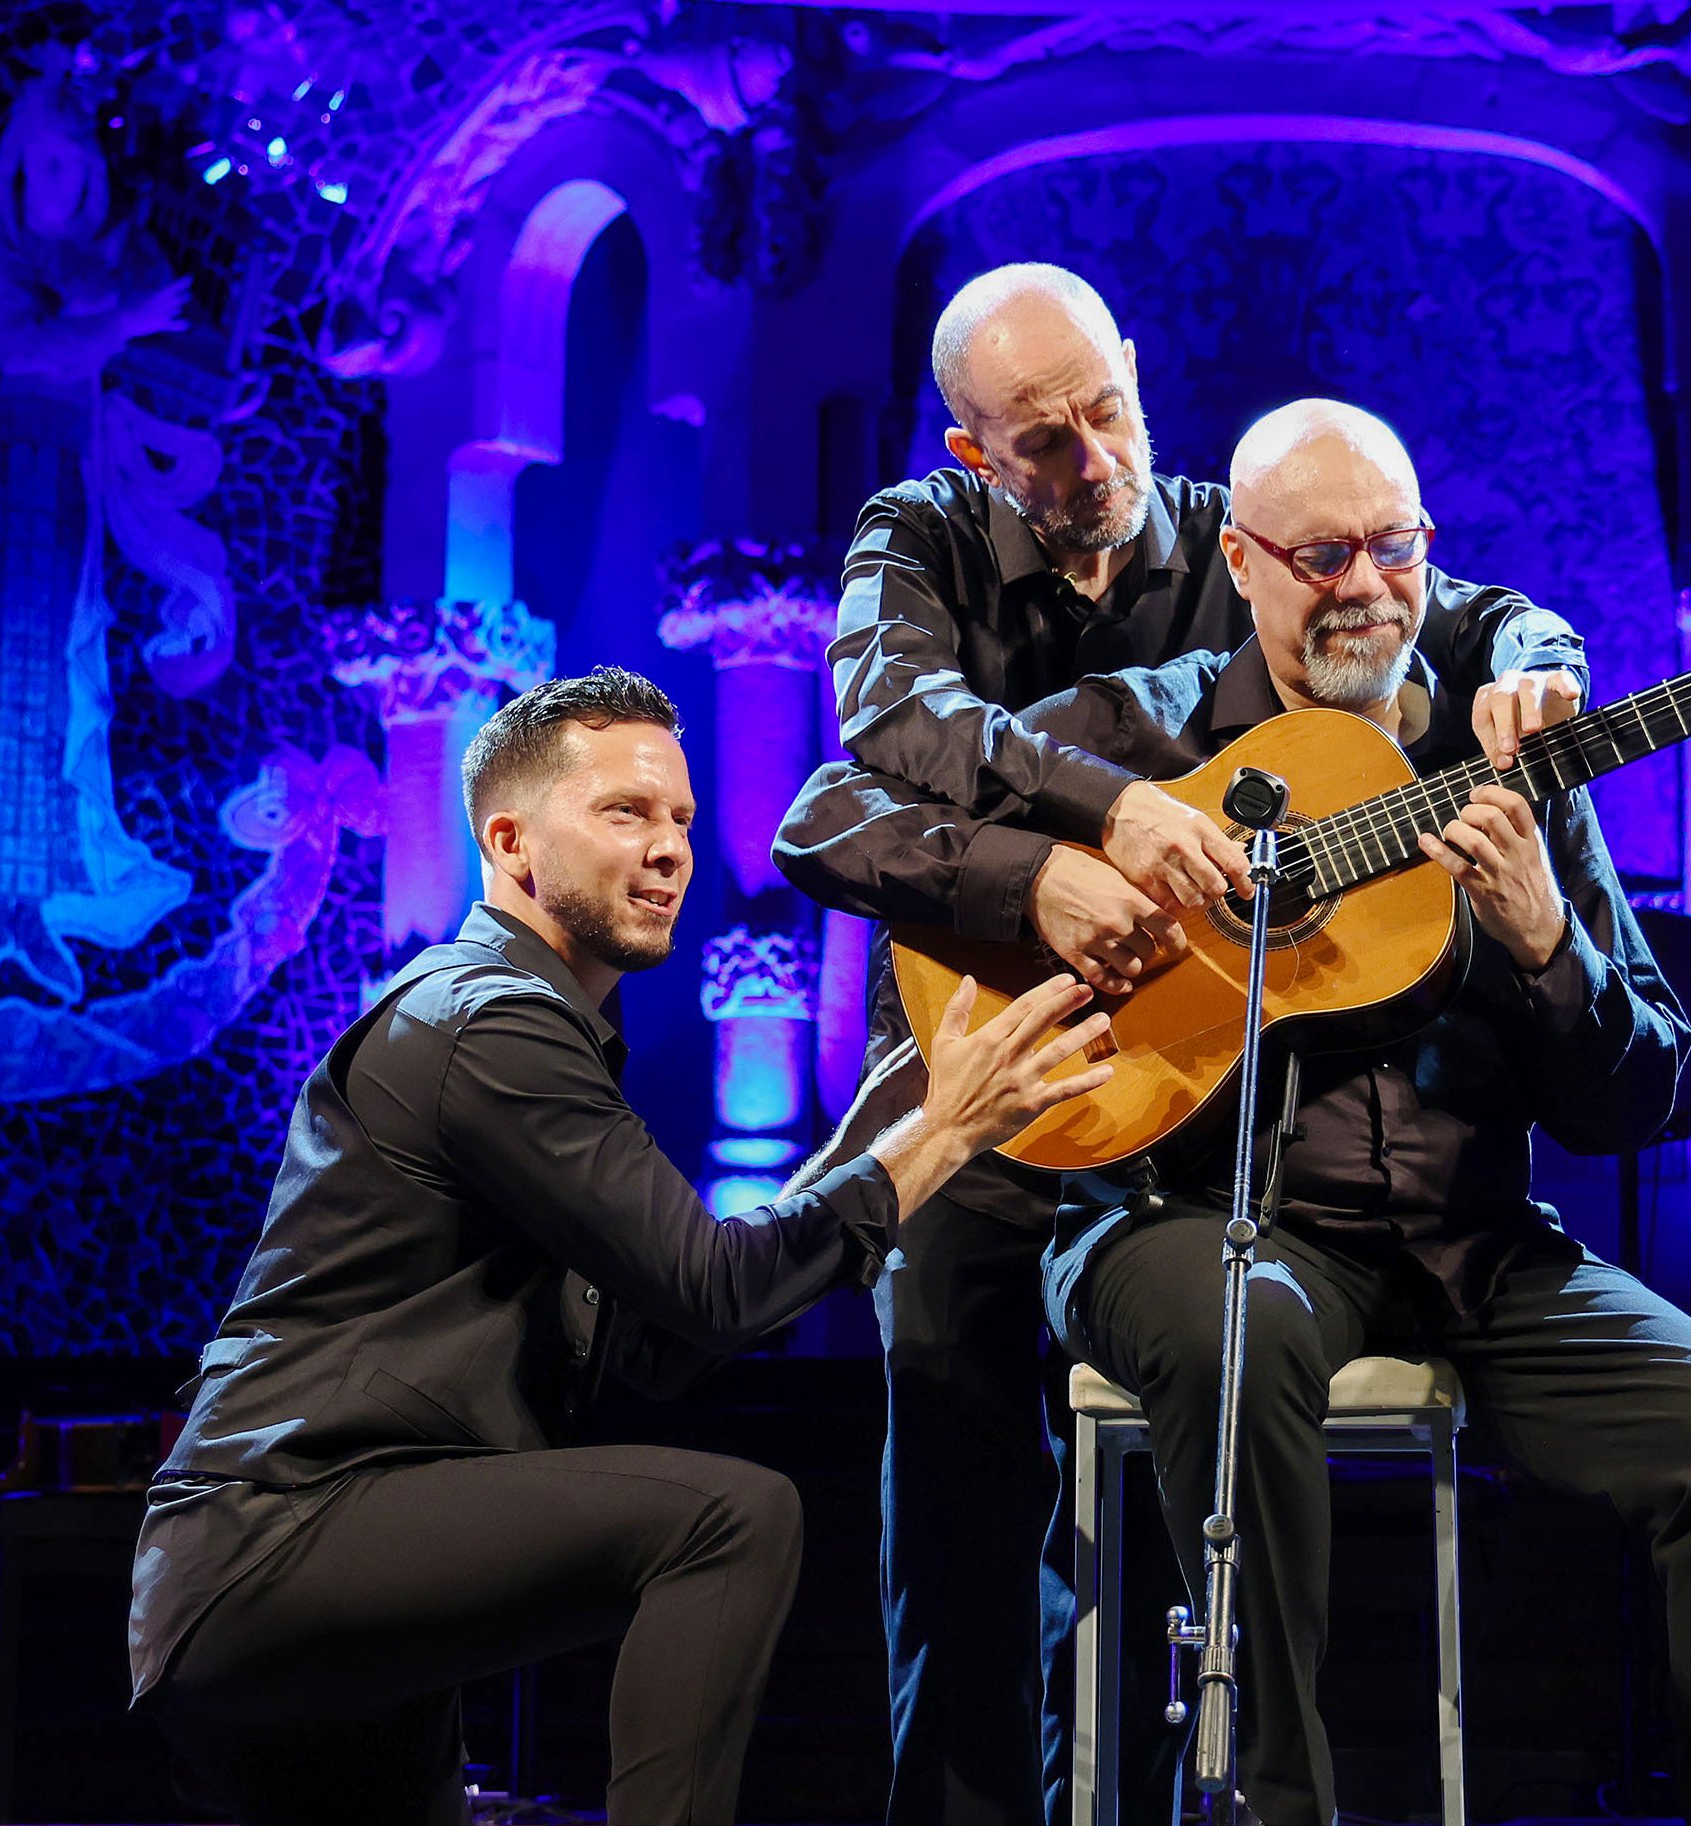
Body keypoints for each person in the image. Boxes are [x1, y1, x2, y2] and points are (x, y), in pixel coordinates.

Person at [784, 401, 1691, 1826]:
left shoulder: (1509, 765)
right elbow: (840, 810)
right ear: (1244, 560)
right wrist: (1050, 876)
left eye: (1394, 549)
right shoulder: (1134, 734)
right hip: (1190, 1222)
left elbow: (1647, 1093)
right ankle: (1269, 1806)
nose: (1364, 586)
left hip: (1474, 1251)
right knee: (1247, 1328)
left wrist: (1547, 948)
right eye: (1323, 552)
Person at [824, 263, 1592, 1826]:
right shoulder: (917, 536)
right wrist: (1071, 840)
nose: (1089, 461)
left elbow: (1461, 600)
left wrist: (1541, 647)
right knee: (956, 1472)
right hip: (998, 1050)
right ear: (972, 450)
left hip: (1200, 1109)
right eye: (1038, 443)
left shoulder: (1233, 538)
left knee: (1209, 1393)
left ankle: (1233, 1791)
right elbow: (877, 743)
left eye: (1105, 410)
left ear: (1134, 373)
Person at [127, 668, 1112, 1826]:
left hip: (321, 1564)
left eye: (682, 819)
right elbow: (715, 1288)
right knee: (728, 1519)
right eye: (624, 812)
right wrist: (942, 1129)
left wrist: (875, 1145)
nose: (671, 849)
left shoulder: (537, 1033)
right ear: (509, 841)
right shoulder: (486, 1023)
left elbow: (659, 1339)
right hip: (280, 1537)